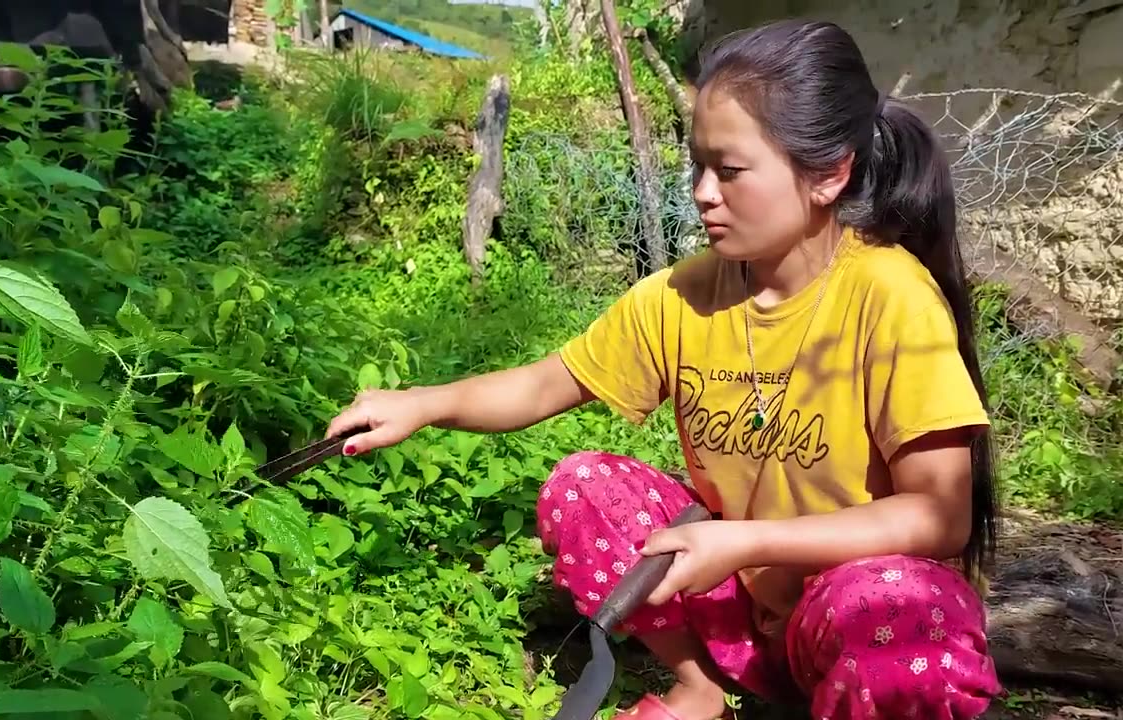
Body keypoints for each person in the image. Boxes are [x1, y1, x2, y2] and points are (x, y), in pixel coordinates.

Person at [326, 18, 1003, 720]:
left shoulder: (889, 297)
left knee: (899, 618)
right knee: (583, 485)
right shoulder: (683, 297)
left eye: (731, 170)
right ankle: (699, 684)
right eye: (697, 165)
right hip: (740, 611)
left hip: (861, 624)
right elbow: (541, 384)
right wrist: (420, 403)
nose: (704, 192)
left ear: (829, 173)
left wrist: (745, 540)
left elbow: (939, 515)